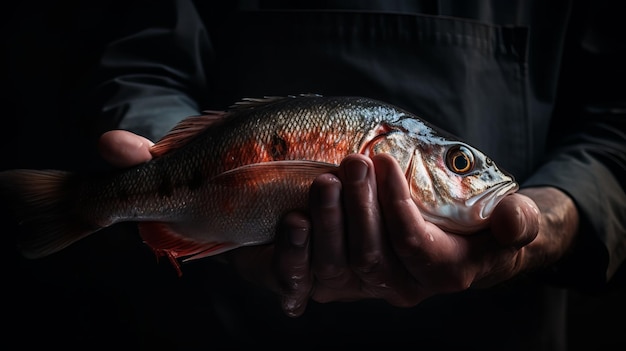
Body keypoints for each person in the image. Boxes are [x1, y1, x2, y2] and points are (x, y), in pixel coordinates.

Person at [4, 0, 625, 350]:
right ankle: (79, 204)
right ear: (385, 149)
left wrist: (553, 217)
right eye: (458, 163)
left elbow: (614, 122)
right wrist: (155, 151)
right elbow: (143, 53)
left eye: (463, 163)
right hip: (226, 331)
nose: (472, 175)